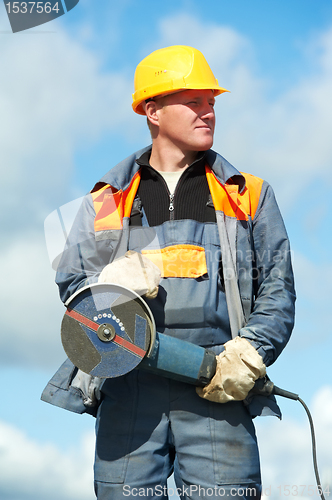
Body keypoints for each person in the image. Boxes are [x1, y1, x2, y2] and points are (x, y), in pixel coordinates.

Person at [42, 45, 296, 499]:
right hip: (130, 383)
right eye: (194, 102)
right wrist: (108, 285)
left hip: (217, 382)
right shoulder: (108, 199)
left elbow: (277, 288)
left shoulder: (248, 194)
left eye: (212, 103)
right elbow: (74, 286)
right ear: (153, 111)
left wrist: (250, 354)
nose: (208, 113)